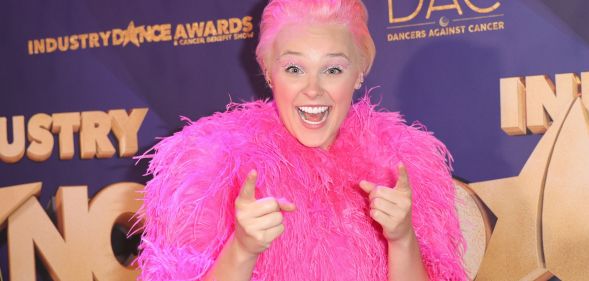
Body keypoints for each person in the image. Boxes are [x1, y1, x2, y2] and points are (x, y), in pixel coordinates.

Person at [135, 0, 467, 280]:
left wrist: (402, 238)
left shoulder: (404, 164)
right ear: (268, 71)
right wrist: (242, 249)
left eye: (332, 70)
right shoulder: (213, 162)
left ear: (359, 73)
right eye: (294, 69)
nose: (312, 89)